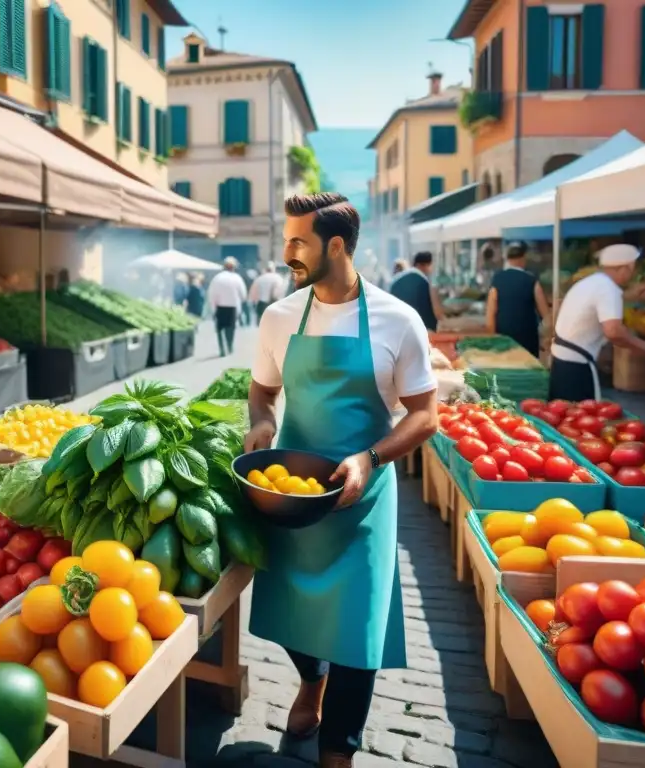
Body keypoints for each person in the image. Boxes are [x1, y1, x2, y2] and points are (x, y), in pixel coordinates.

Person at [246, 193, 438, 768]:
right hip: (293, 495)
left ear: (335, 245)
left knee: (358, 635)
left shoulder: (397, 320)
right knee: (286, 610)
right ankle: (311, 681)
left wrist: (369, 460)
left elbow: (426, 415)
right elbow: (263, 389)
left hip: (364, 498)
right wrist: (260, 421)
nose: (286, 254)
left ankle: (338, 754)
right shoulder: (279, 317)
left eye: (298, 242)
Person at [549, 243, 645, 401]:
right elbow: (613, 331)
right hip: (577, 365)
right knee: (582, 417)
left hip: (561, 360)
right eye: (633, 268)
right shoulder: (608, 289)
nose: (633, 273)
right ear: (625, 268)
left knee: (563, 418)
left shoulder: (590, 282)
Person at [485, 241, 551, 357]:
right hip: (527, 341)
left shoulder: (497, 279)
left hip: (503, 340)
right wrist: (548, 338)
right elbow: (545, 315)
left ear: (508, 259)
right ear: (523, 258)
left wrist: (492, 339)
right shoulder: (532, 280)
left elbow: (491, 313)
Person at [390, 252, 445, 331]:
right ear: (426, 265)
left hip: (398, 330)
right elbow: (436, 312)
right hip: (422, 331)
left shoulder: (395, 281)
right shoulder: (426, 283)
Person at [208, 257, 247, 355]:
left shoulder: (217, 278)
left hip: (220, 307)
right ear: (234, 267)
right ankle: (229, 346)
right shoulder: (237, 278)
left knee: (220, 329)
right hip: (232, 307)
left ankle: (222, 348)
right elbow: (243, 295)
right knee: (230, 329)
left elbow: (211, 294)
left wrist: (213, 308)